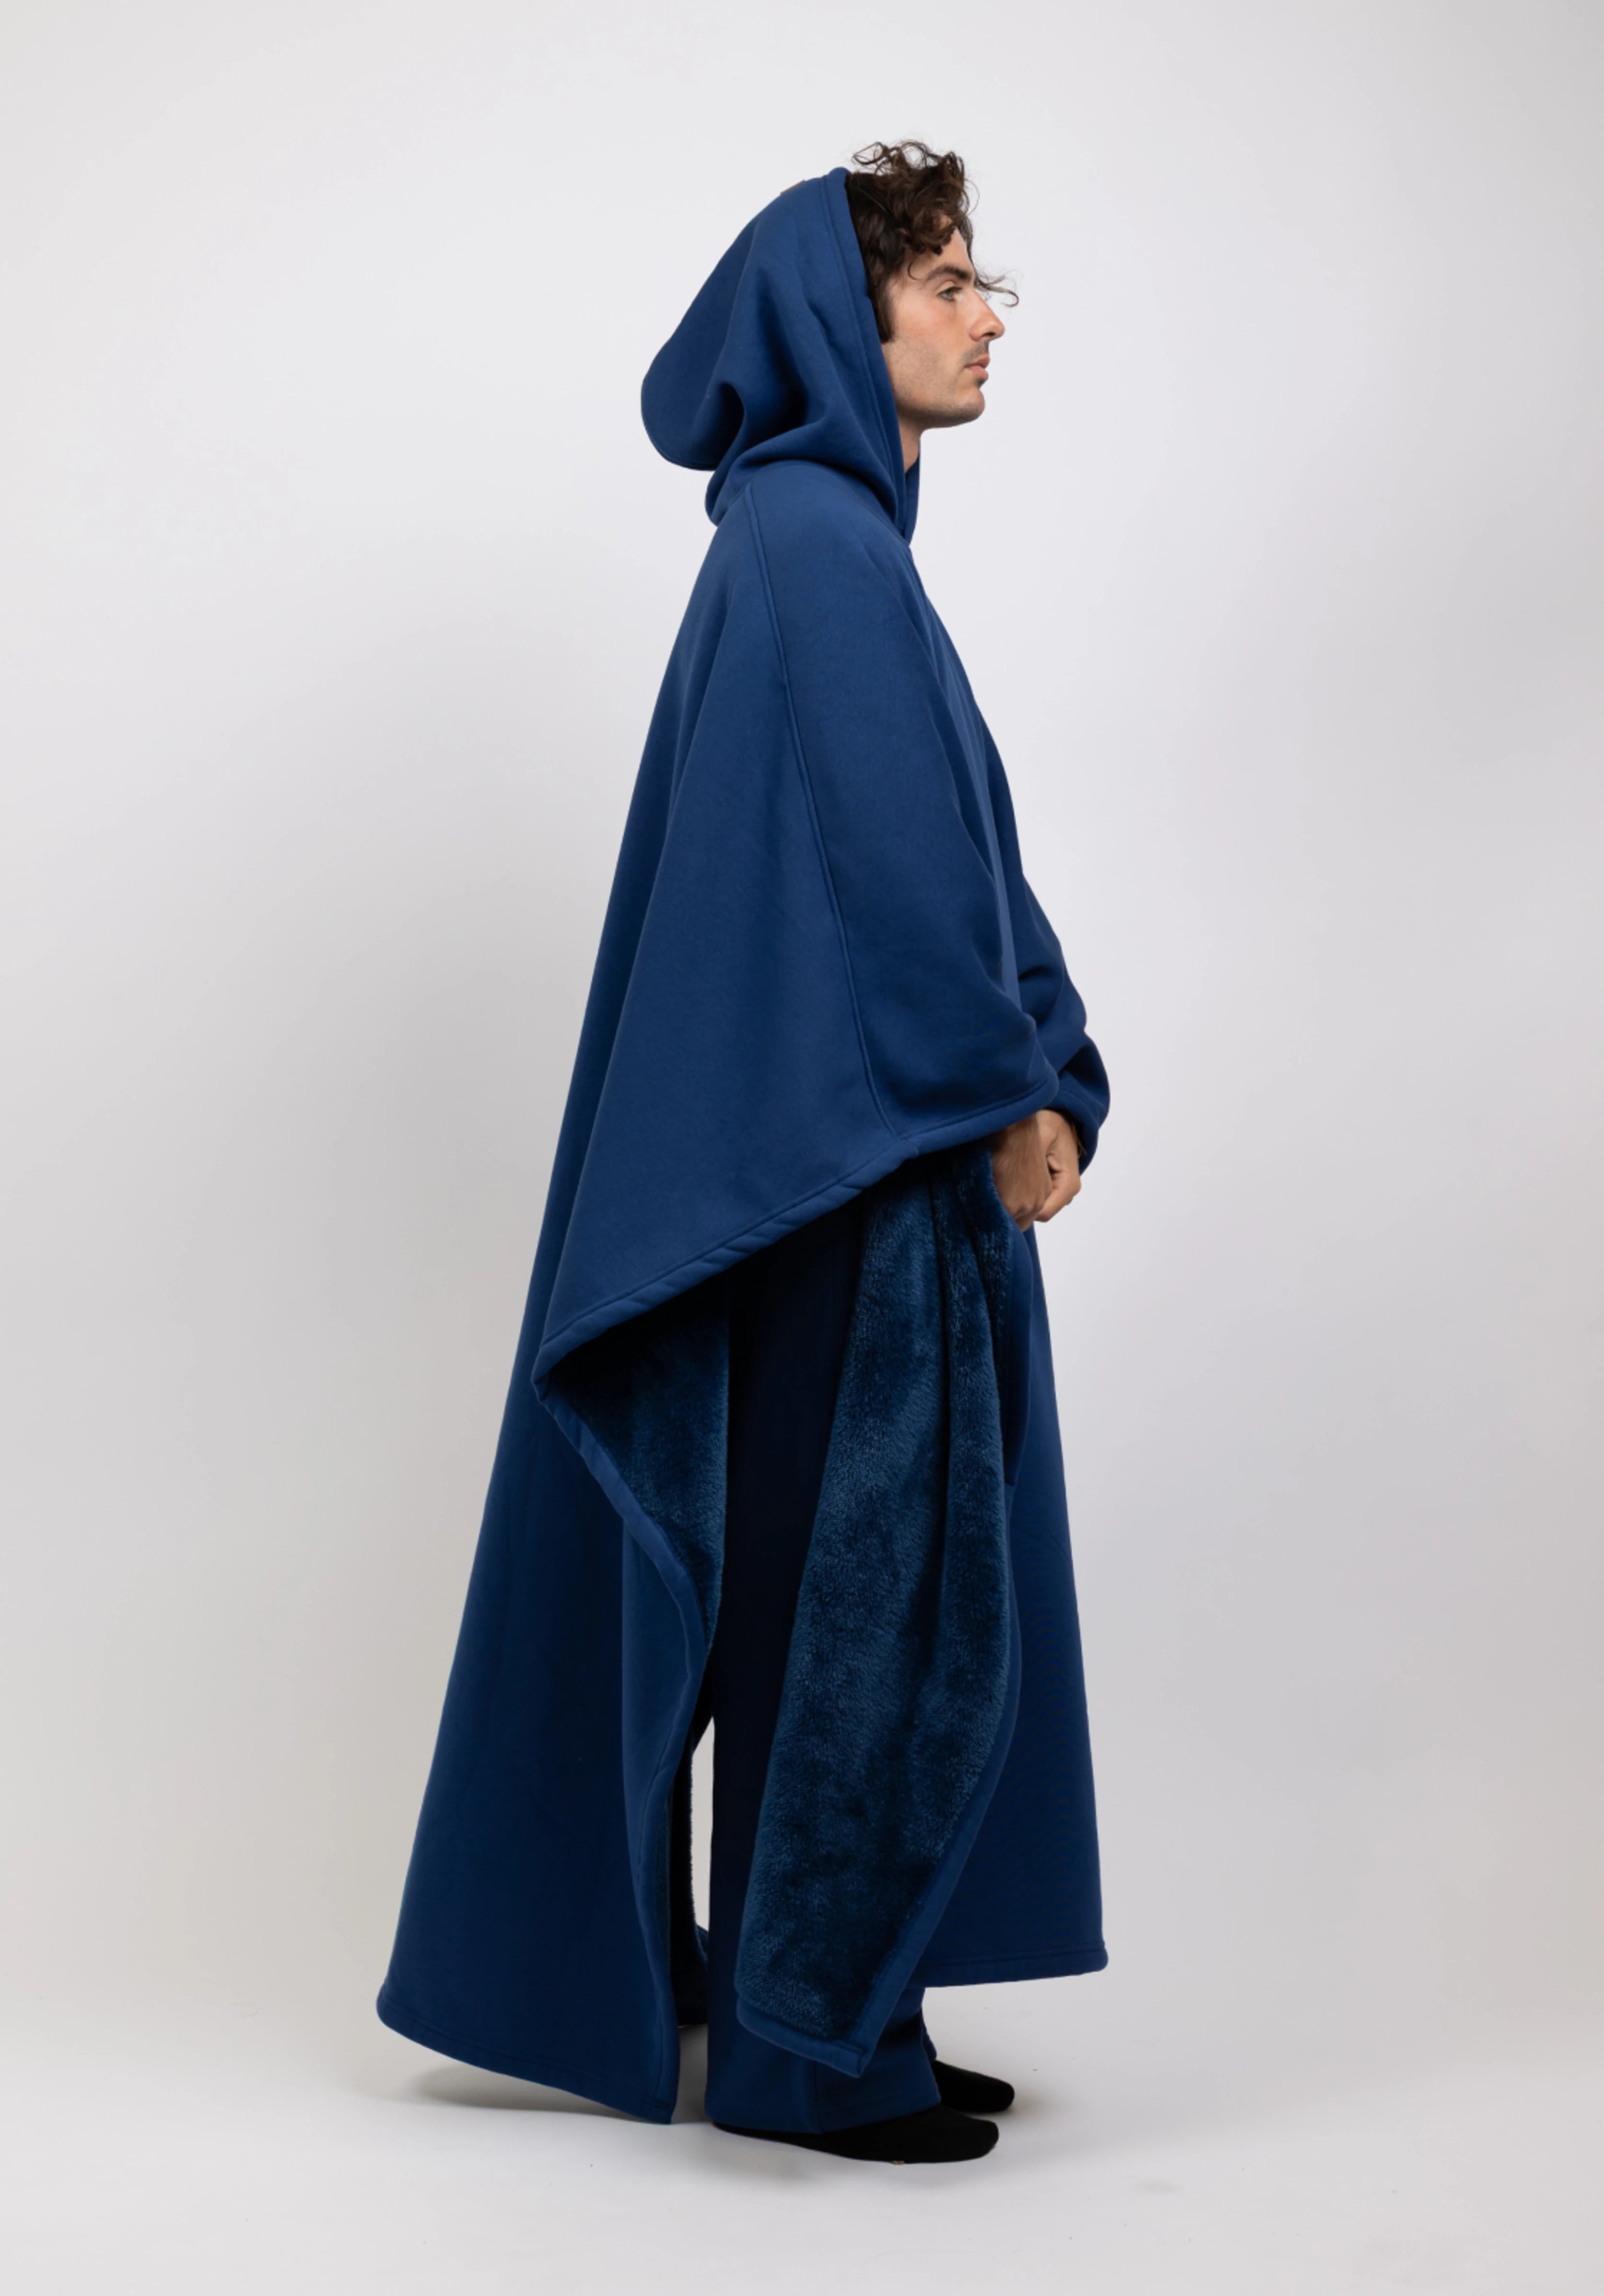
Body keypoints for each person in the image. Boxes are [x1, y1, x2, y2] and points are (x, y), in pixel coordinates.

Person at [378, 142, 1109, 2168]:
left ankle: (845, 2009)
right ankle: (812, 2051)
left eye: (978, 282)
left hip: (849, 1157)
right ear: (839, 321)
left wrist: (1053, 1064)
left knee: (846, 1593)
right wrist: (1014, 1090)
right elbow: (894, 888)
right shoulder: (813, 548)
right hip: (860, 1175)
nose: (984, 317)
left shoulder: (820, 543)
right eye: (947, 283)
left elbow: (958, 863)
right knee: (873, 1606)